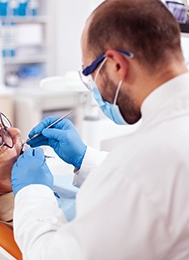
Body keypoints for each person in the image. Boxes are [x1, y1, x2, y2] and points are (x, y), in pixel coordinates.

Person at [10, 0, 189, 259]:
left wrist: (32, 193)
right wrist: (86, 159)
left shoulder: (137, 166)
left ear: (116, 65)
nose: (92, 86)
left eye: (88, 73)